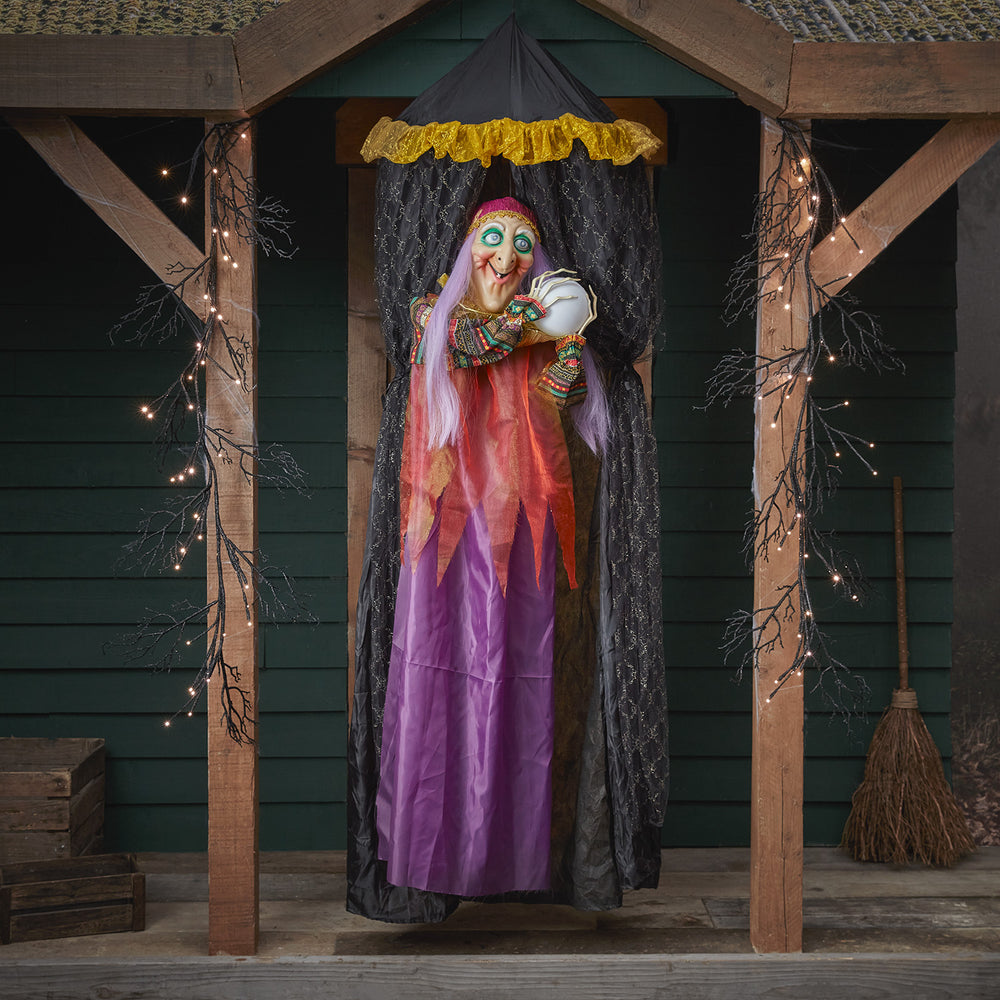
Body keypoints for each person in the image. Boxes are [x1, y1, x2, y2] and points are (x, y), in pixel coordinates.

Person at [375, 197, 606, 896]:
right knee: (437, 656)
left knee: (519, 666)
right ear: (467, 246)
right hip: (445, 521)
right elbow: (468, 345)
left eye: (522, 245)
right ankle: (430, 851)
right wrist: (544, 318)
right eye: (493, 239)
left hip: (520, 518)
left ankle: (507, 854)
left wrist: (569, 345)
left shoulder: (536, 321)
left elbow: (561, 394)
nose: (505, 258)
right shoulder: (433, 314)